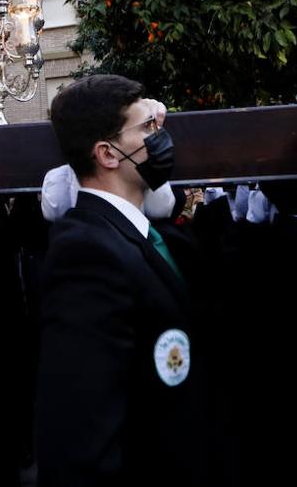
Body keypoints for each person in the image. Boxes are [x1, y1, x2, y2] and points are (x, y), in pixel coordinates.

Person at [35, 74, 217, 486]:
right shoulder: (86, 253)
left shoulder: (136, 232)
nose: (160, 137)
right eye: (148, 128)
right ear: (108, 154)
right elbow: (81, 429)